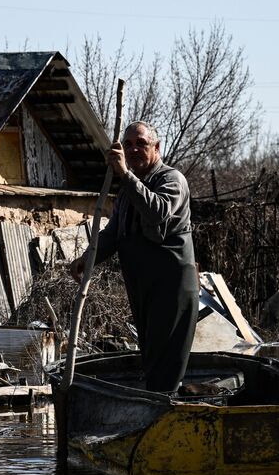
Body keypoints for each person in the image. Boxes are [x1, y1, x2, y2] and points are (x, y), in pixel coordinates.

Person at [80, 122, 197, 394]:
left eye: (141, 144)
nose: (133, 149)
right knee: (151, 353)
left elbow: (156, 211)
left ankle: (163, 409)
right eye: (128, 144)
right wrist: (88, 258)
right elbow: (114, 233)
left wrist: (124, 174)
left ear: (156, 148)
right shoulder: (127, 190)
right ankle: (156, 403)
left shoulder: (171, 179)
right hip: (142, 283)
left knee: (165, 357)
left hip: (171, 284)